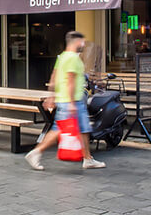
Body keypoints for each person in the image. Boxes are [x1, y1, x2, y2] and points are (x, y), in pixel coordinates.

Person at [25, 31, 106, 171]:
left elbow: (53, 77)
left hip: (66, 100)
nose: (83, 44)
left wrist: (51, 96)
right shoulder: (73, 59)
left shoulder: (62, 57)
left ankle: (88, 159)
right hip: (72, 101)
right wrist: (72, 104)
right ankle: (36, 152)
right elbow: (70, 81)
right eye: (82, 41)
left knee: (83, 129)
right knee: (59, 130)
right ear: (75, 42)